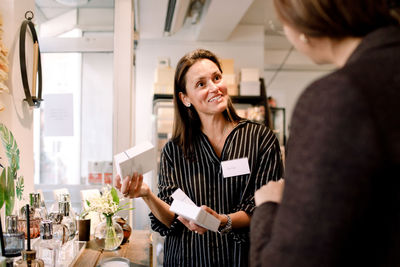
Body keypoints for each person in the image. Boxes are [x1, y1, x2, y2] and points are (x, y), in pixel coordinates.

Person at [250, 1, 400, 266]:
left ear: (303, 23)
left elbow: (291, 260)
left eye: (282, 21)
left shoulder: (338, 96)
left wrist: (268, 207)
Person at [115, 49, 283, 266]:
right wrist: (146, 194)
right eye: (201, 84)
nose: (214, 87)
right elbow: (170, 219)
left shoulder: (260, 138)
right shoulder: (174, 150)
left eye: (216, 78)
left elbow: (266, 207)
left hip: (242, 258)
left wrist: (223, 221)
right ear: (185, 98)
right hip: (188, 258)